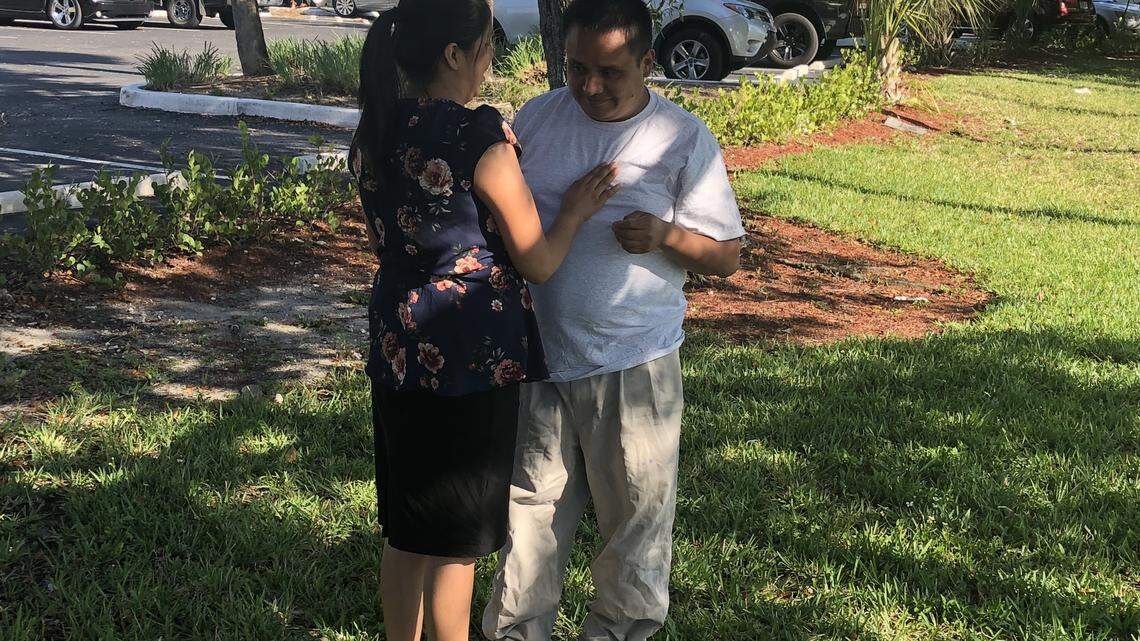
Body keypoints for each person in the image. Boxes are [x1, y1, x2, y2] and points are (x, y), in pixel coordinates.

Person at [349, 1, 620, 639]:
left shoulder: (377, 129)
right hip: (468, 355)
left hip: (397, 343)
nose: (487, 64)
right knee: (457, 543)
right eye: (485, 51)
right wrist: (576, 209)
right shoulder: (475, 137)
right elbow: (540, 260)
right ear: (454, 54)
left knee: (408, 527)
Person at [481, 1, 745, 639]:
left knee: (635, 524)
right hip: (540, 356)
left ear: (649, 63)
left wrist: (667, 236)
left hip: (633, 366)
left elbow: (728, 257)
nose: (590, 86)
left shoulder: (682, 138)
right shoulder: (538, 119)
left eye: (609, 71)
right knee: (529, 513)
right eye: (576, 68)